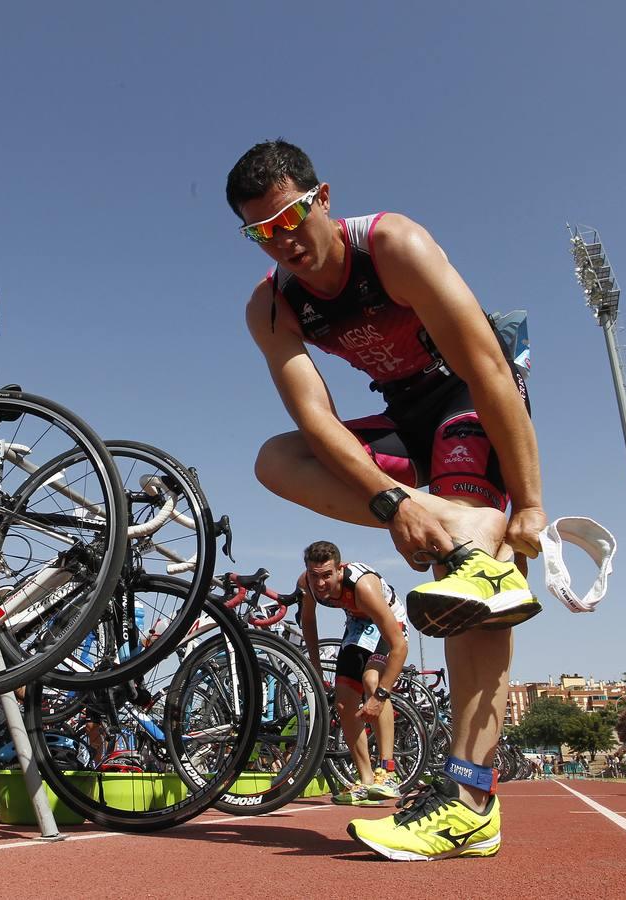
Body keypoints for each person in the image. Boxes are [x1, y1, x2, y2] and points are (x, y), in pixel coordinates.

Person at [227, 140, 546, 861]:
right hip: (403, 416)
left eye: (289, 219)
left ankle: (468, 799)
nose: (284, 243)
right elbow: (316, 421)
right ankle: (471, 530)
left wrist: (527, 502)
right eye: (262, 234)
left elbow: (490, 363)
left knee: (467, 598)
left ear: (323, 199)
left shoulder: (393, 244)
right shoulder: (272, 303)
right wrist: (390, 505)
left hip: (470, 399)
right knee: (277, 458)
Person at [295, 540, 409, 805]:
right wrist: (315, 665)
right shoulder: (307, 585)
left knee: (371, 680)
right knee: (344, 702)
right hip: (358, 625)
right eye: (315, 576)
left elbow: (398, 646)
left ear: (339, 570)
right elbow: (309, 623)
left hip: (389, 621)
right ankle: (366, 781)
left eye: (327, 576)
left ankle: (388, 773)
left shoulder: (363, 586)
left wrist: (379, 697)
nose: (321, 584)